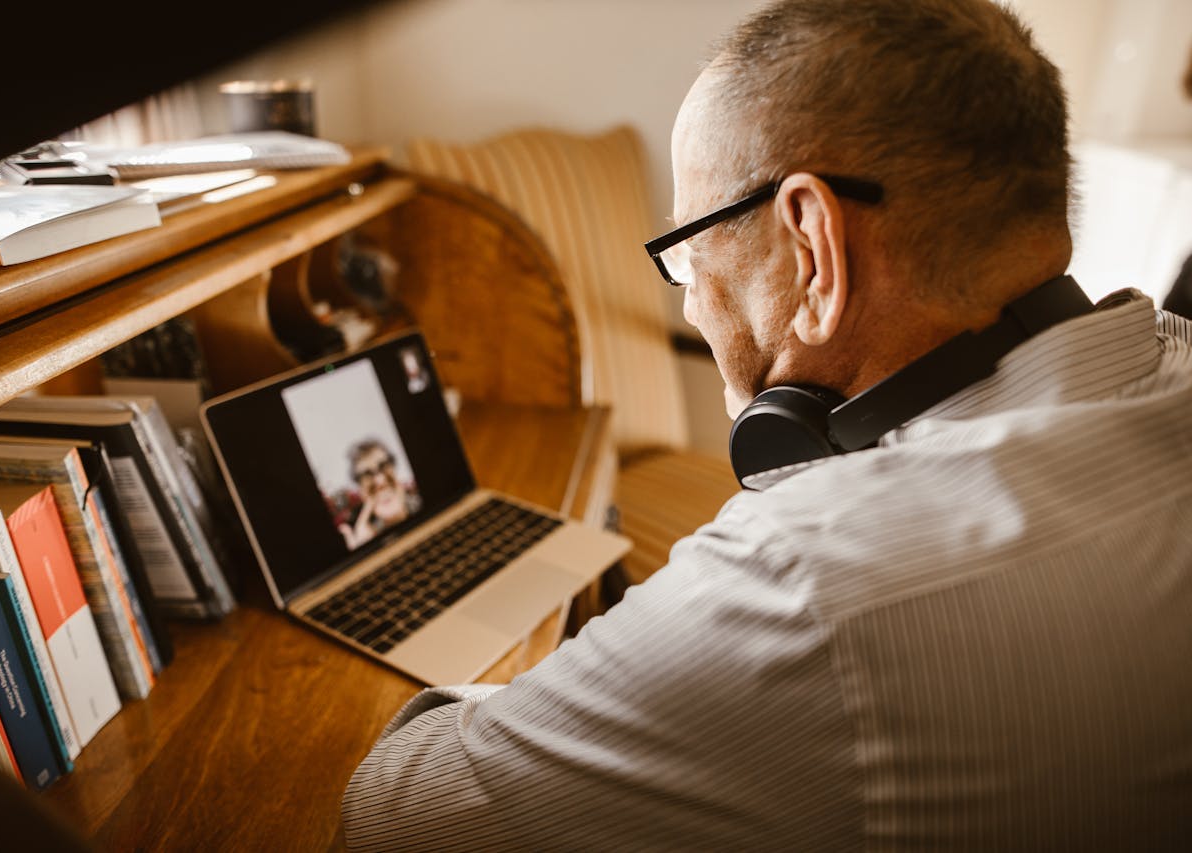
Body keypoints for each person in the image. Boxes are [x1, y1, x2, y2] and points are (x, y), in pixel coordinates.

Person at [342, 1, 1192, 849]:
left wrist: (560, 696)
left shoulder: (801, 581)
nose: (691, 297)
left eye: (686, 251)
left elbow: (392, 814)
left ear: (812, 248)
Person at [334, 439, 421, 550]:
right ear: (360, 490)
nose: (380, 480)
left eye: (384, 466)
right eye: (366, 475)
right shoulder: (363, 535)